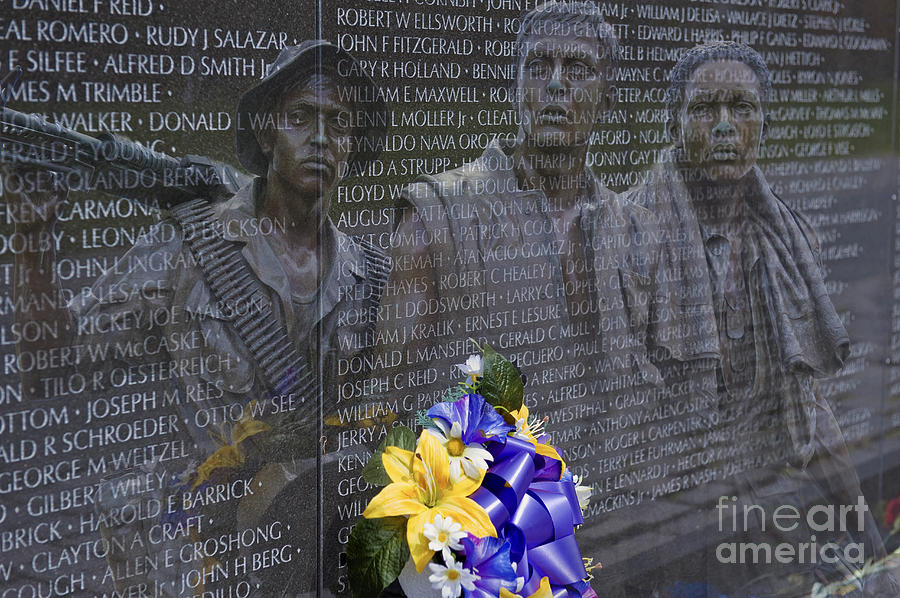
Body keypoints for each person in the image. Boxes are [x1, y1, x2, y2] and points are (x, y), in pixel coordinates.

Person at [6, 40, 389, 597]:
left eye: (340, 122)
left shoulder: (368, 274)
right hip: (200, 553)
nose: (323, 137)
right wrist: (33, 239)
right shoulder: (194, 245)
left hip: (318, 556)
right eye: (301, 117)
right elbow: (52, 367)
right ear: (266, 134)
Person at [624, 40, 897, 597]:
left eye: (742, 108)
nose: (725, 126)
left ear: (763, 125)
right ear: (675, 125)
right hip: (663, 533)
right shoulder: (625, 240)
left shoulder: (790, 244)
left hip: (761, 521)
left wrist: (871, 541)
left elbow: (809, 407)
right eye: (705, 109)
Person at [376, 0, 662, 422]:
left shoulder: (641, 232)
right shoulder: (435, 218)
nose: (556, 84)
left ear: (607, 100)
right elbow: (387, 404)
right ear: (516, 88)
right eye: (539, 66)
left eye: (578, 69)